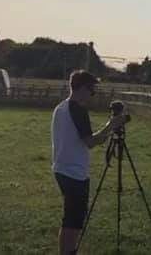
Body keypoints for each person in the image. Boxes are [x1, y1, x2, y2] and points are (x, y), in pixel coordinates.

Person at [51, 70, 126, 255]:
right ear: (82, 88)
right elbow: (90, 142)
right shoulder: (77, 109)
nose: (92, 94)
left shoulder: (60, 107)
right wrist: (112, 125)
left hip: (61, 168)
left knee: (70, 218)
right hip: (74, 172)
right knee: (74, 221)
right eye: (91, 90)